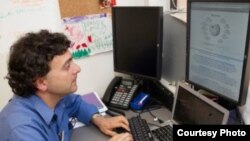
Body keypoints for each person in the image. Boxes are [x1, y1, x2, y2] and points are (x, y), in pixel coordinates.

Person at [0, 30, 133, 141]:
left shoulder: (54, 98)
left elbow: (76, 103)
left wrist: (99, 119)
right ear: (41, 82)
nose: (77, 69)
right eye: (67, 66)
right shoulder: (23, 131)